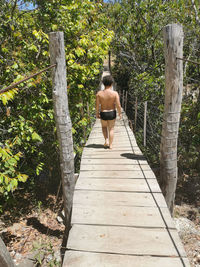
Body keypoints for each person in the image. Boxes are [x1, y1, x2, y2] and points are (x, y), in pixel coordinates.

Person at [96, 75, 122, 149]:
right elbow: (118, 105)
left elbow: (97, 105)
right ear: (111, 84)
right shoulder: (115, 93)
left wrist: (97, 113)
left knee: (104, 127)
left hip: (103, 113)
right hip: (111, 113)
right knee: (111, 129)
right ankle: (111, 145)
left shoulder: (99, 94)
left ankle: (106, 140)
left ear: (103, 84)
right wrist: (120, 113)